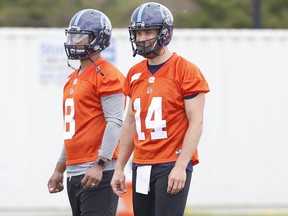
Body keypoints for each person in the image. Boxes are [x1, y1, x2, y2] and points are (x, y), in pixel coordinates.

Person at [110, 2, 210, 216]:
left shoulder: (186, 70)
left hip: (170, 163)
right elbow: (130, 122)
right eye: (138, 32)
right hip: (142, 164)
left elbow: (197, 122)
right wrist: (119, 168)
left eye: (148, 31)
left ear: (164, 33)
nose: (141, 38)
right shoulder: (135, 73)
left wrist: (182, 165)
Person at [47, 9, 125, 216]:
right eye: (72, 35)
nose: (74, 41)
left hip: (99, 171)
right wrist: (59, 169)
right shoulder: (72, 78)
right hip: (75, 172)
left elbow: (115, 122)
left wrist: (100, 164)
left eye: (81, 36)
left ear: (98, 39)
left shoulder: (108, 74)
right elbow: (73, 131)